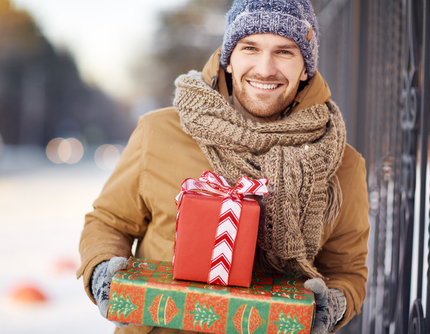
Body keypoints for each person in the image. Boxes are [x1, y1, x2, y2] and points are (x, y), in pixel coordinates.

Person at [77, 0, 370, 333]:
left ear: (306, 68)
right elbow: (108, 222)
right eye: (250, 47)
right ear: (228, 58)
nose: (265, 68)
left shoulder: (341, 163)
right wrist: (102, 271)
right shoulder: (159, 133)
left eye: (284, 52)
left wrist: (333, 306)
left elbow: (348, 271)